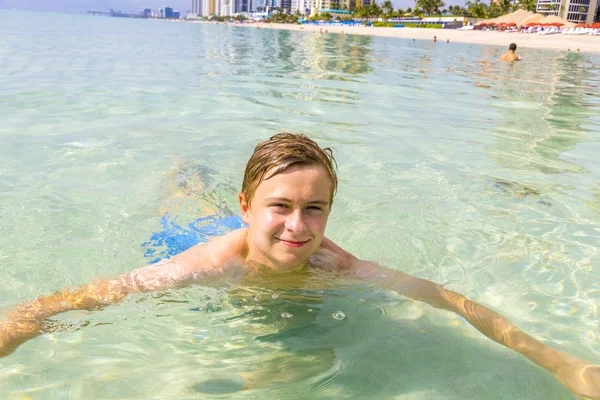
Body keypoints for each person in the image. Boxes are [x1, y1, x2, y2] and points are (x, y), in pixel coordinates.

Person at [1, 133, 599, 398]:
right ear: (249, 208)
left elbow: (450, 300)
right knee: (182, 205)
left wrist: (558, 361)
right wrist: (15, 327)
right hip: (192, 237)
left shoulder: (339, 266)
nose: (298, 226)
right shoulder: (201, 266)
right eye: (280, 206)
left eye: (315, 209)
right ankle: (184, 177)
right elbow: (88, 296)